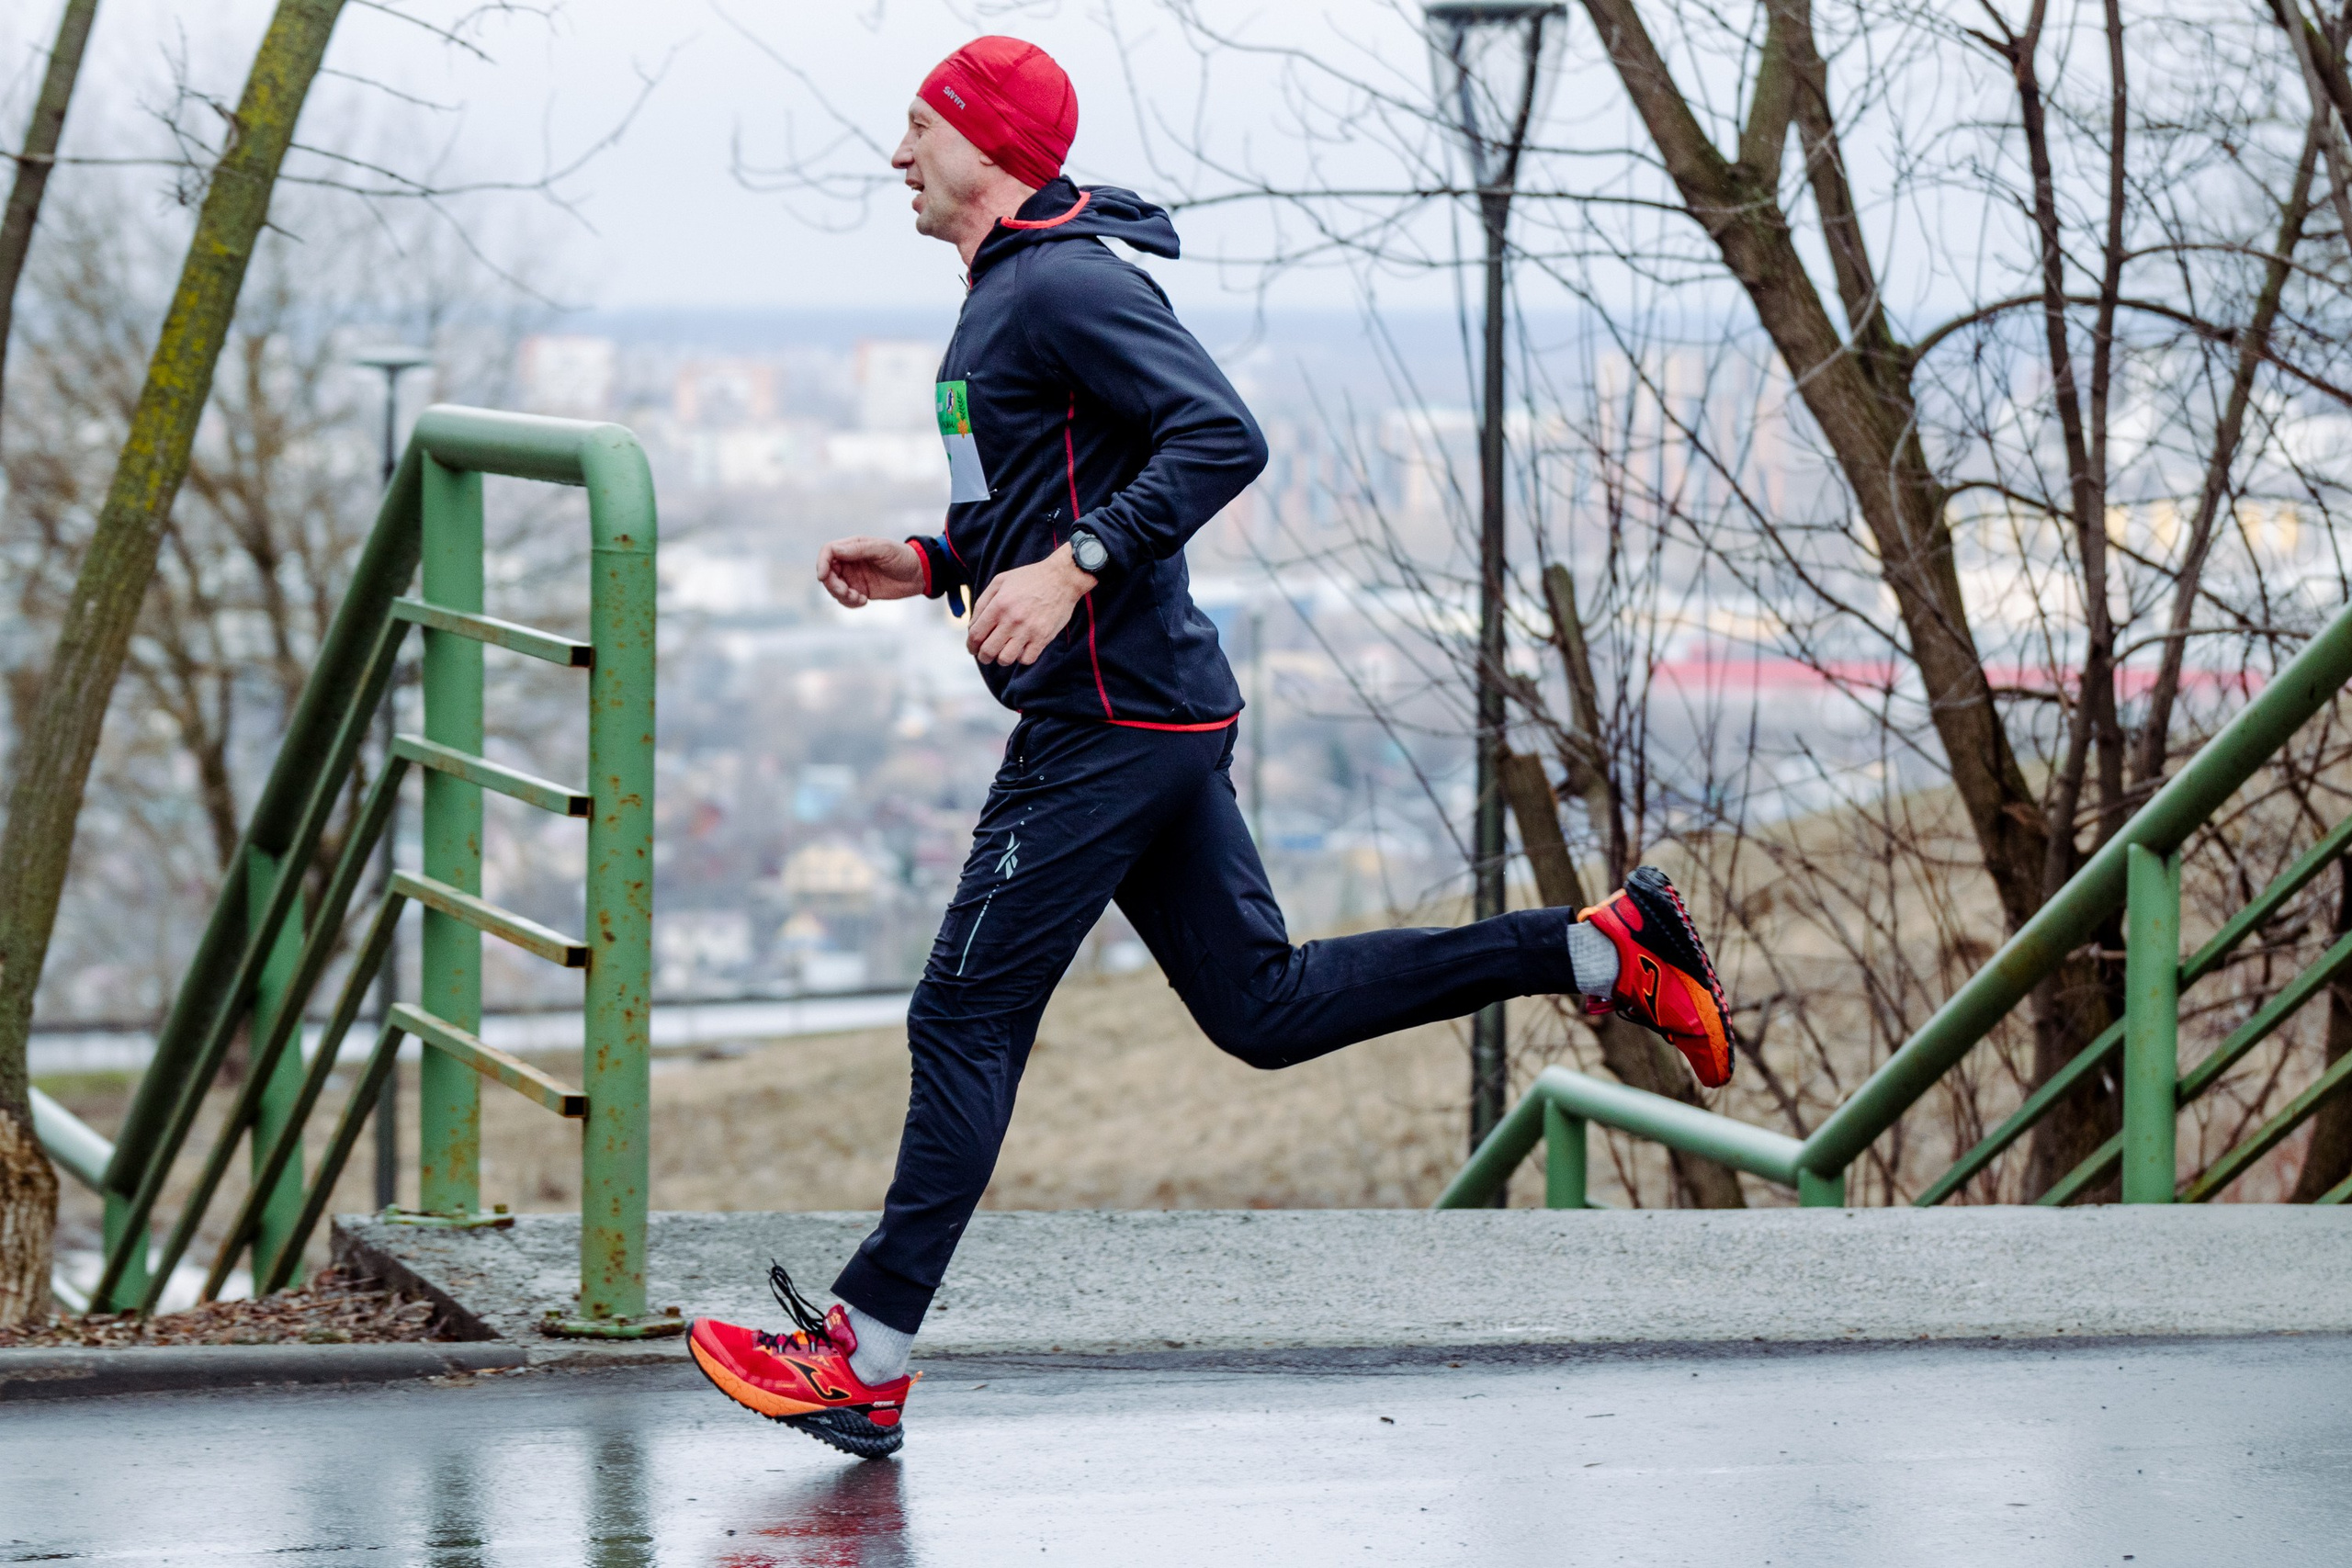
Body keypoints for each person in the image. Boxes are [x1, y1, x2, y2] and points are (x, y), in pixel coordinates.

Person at [685, 35, 1736, 1461]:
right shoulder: (1015, 291)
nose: (897, 157)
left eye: (918, 129)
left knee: (964, 1014)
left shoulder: (1062, 282)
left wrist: (1075, 568)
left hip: (1107, 713)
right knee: (1264, 1009)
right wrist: (935, 559)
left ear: (985, 144)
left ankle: (864, 1357)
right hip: (1143, 706)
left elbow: (1219, 436)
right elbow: (1052, 485)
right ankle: (1603, 950)